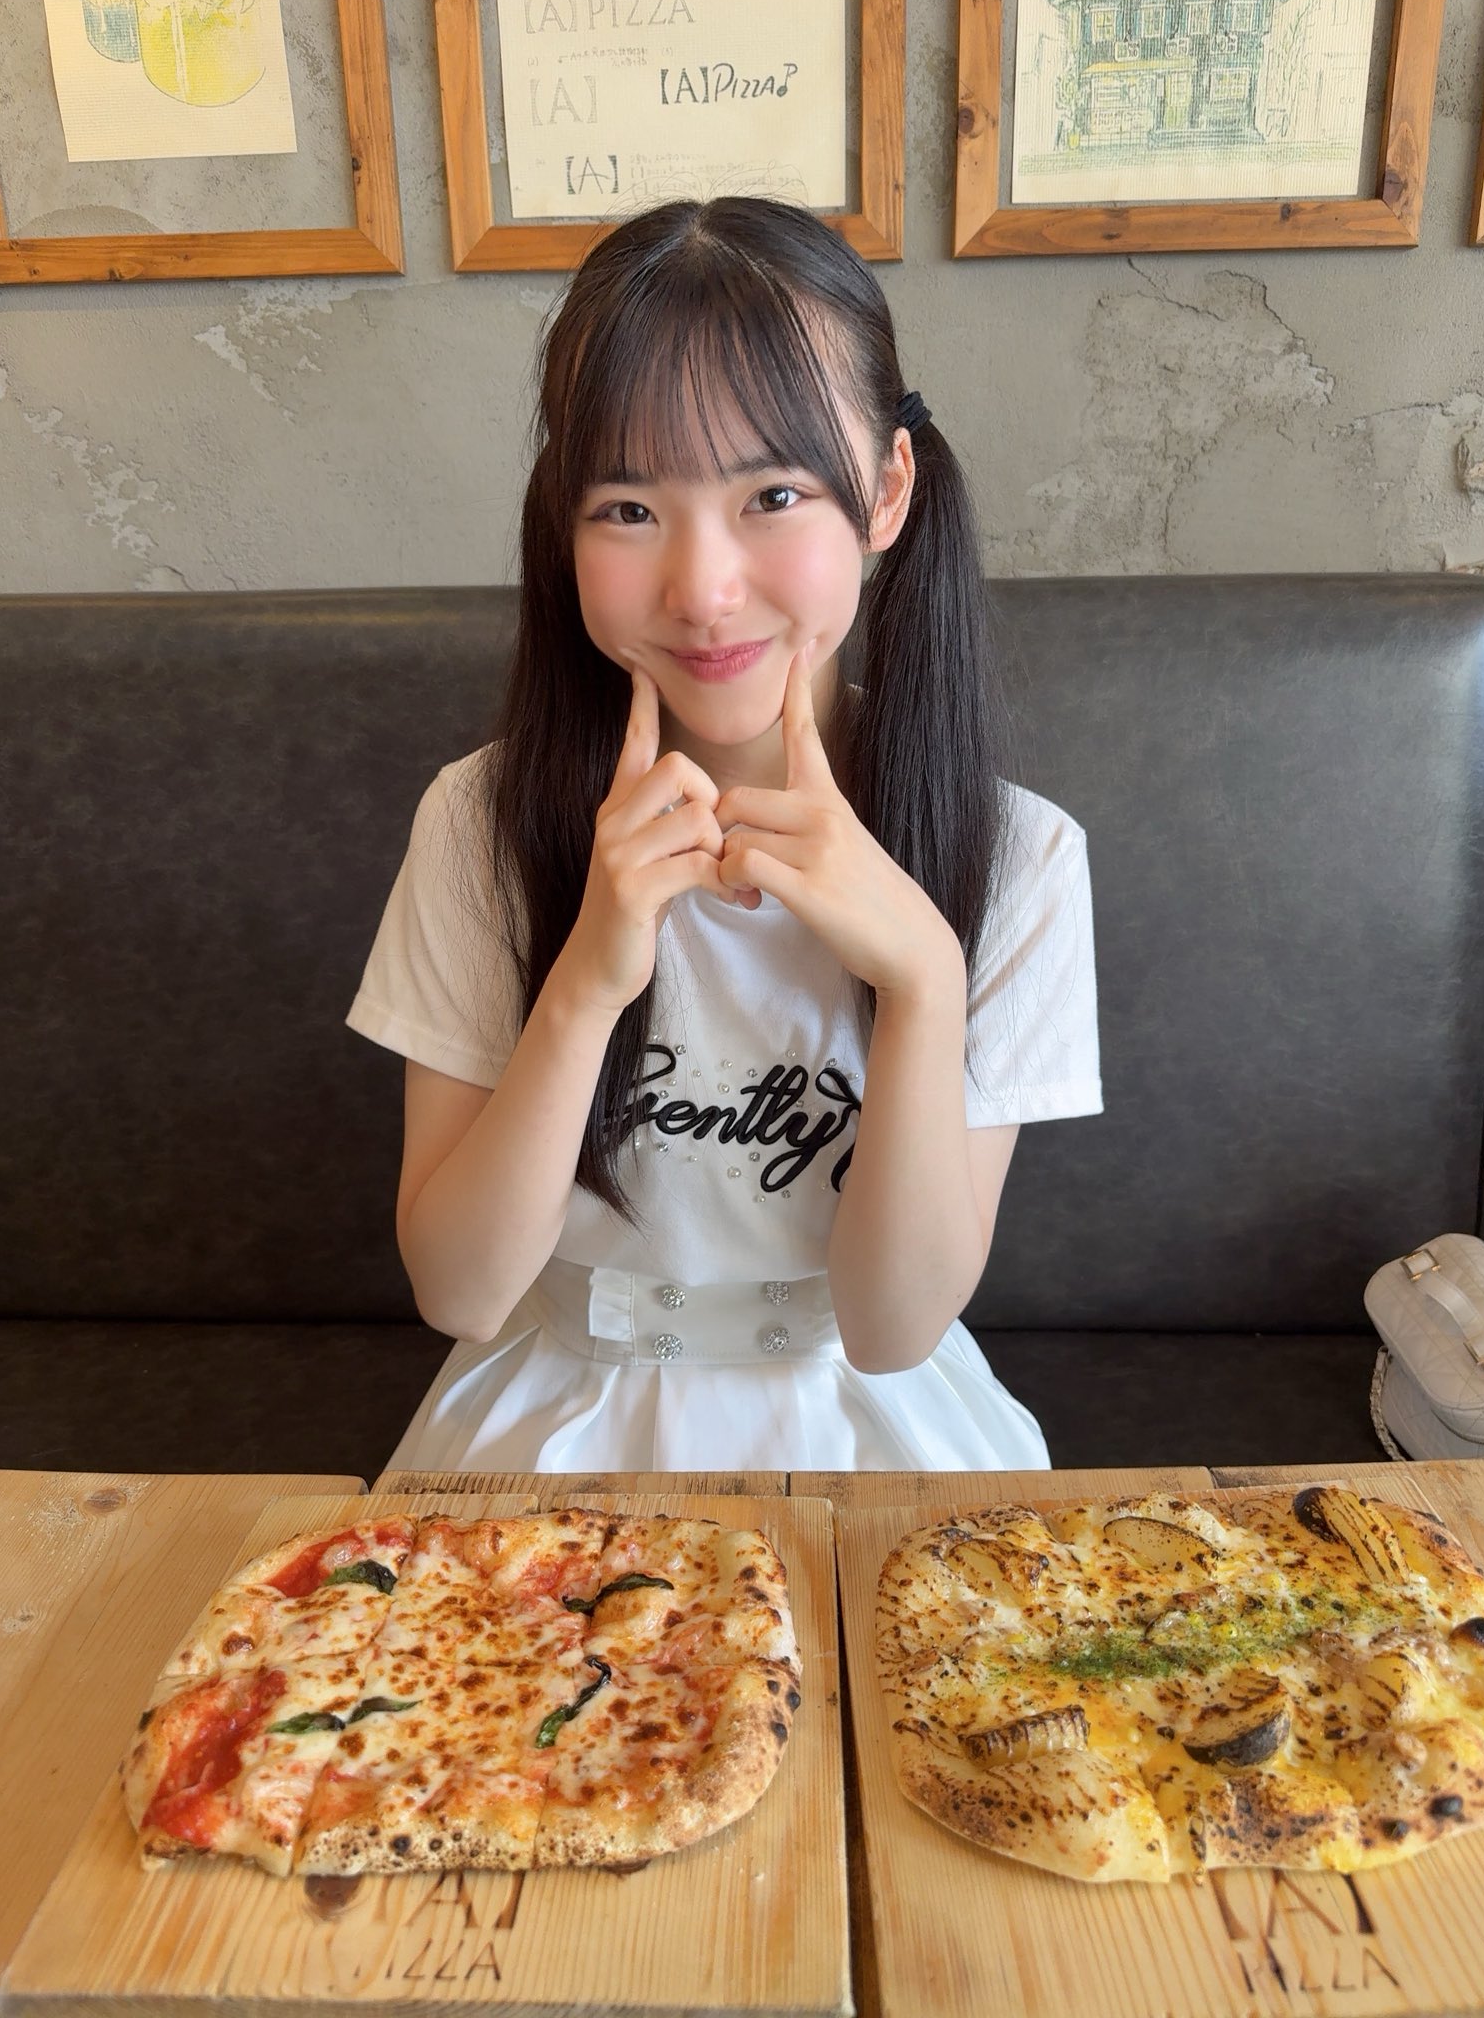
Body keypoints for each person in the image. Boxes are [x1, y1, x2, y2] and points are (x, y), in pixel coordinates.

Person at [347, 196, 1102, 1474]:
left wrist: (924, 977)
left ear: (886, 491)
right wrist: (587, 980)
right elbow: (462, 1290)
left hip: (874, 1428)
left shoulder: (1018, 854)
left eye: (774, 493)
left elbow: (894, 1327)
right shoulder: (480, 820)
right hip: (555, 1421)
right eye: (628, 508)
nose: (701, 590)